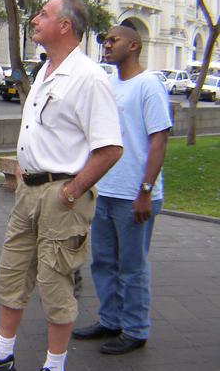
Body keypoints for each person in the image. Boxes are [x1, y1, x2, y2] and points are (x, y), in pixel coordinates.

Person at [0, 0, 123, 371]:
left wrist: (72, 189)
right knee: (11, 271)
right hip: (28, 191)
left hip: (61, 195)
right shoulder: (46, 69)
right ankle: (2, 353)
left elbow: (110, 148)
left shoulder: (88, 78)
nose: (34, 19)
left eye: (44, 14)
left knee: (55, 281)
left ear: (65, 26)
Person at [73, 25, 171, 354]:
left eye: (113, 40)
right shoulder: (110, 84)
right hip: (105, 190)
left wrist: (145, 190)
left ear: (134, 45)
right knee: (102, 261)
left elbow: (158, 141)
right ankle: (110, 320)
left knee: (132, 265)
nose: (106, 45)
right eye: (104, 41)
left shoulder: (149, 85)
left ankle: (136, 329)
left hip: (135, 195)